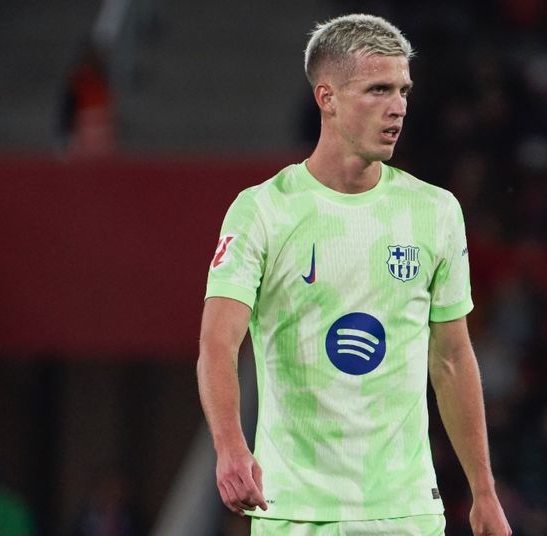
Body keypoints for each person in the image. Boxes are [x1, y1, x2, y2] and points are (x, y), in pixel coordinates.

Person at [196, 13, 512, 536]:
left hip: (404, 509)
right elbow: (217, 343)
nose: (398, 106)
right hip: (293, 507)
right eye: (378, 89)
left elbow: (452, 358)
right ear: (327, 98)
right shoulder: (263, 211)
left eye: (403, 90)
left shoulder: (435, 211)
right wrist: (230, 446)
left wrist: (484, 491)